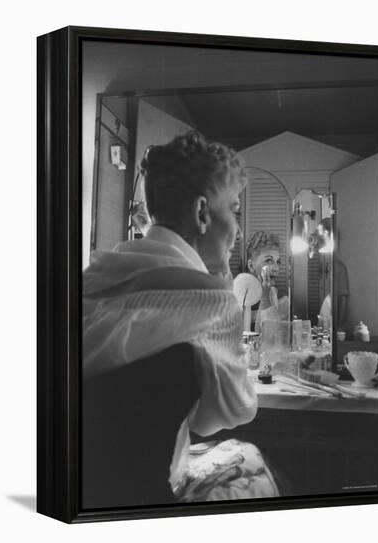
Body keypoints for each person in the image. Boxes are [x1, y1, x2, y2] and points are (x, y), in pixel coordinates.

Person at [83, 130, 279, 503]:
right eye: (234, 211)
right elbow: (230, 413)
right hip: (146, 496)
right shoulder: (209, 299)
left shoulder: (90, 281)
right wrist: (220, 278)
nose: (236, 231)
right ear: (203, 213)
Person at [245, 230, 289, 329]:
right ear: (251, 266)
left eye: (278, 262)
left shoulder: (283, 300)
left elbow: (274, 337)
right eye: (269, 261)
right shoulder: (238, 298)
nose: (276, 268)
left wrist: (265, 298)